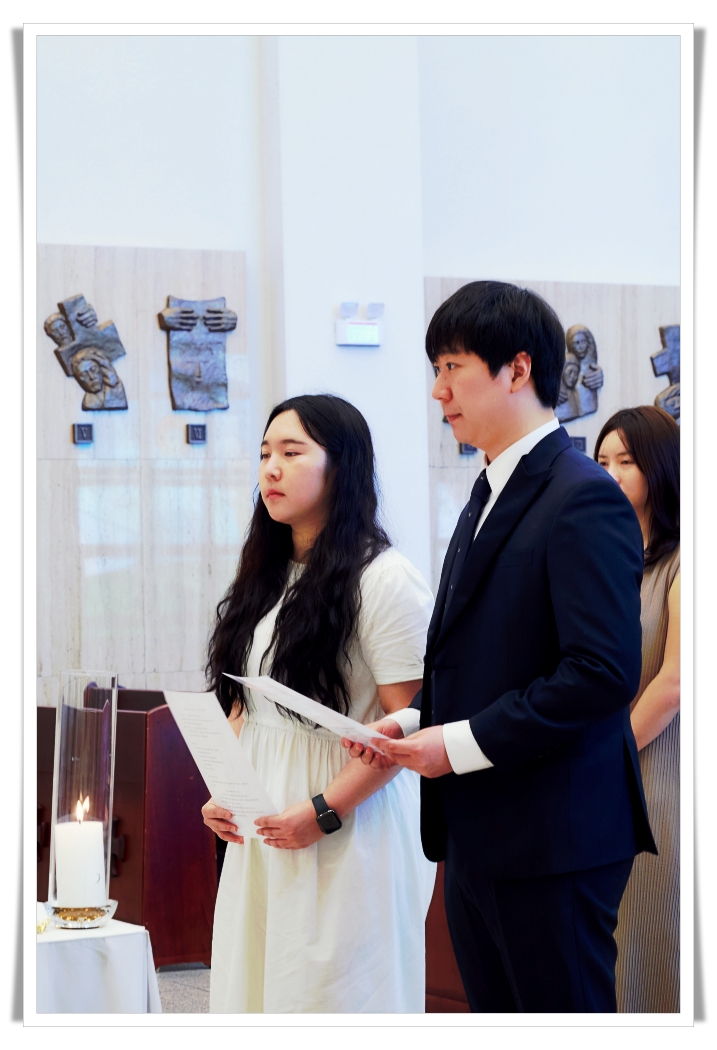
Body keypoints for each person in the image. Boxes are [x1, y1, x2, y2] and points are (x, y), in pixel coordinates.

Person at [344, 280, 656, 1013]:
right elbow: (481, 660)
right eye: (437, 370)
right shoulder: (486, 491)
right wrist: (411, 724)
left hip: (554, 837)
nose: (438, 391)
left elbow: (599, 672)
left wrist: (455, 746)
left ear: (518, 369)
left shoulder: (582, 494)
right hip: (479, 831)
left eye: (452, 367)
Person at [201, 394, 436, 1013]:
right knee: (255, 990)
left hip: (348, 822)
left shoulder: (384, 578)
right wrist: (225, 792)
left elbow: (410, 724)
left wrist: (324, 811)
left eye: (291, 452)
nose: (270, 469)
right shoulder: (266, 573)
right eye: (264, 454)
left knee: (331, 1000)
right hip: (265, 824)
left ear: (342, 467)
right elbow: (246, 700)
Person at [595, 406, 680, 1012]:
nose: (609, 473)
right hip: (600, 774)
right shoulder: (605, 559)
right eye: (601, 461)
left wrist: (605, 756)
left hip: (657, 772)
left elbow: (674, 683)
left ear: (660, 467)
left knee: (652, 940)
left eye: (625, 461)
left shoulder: (685, 561)